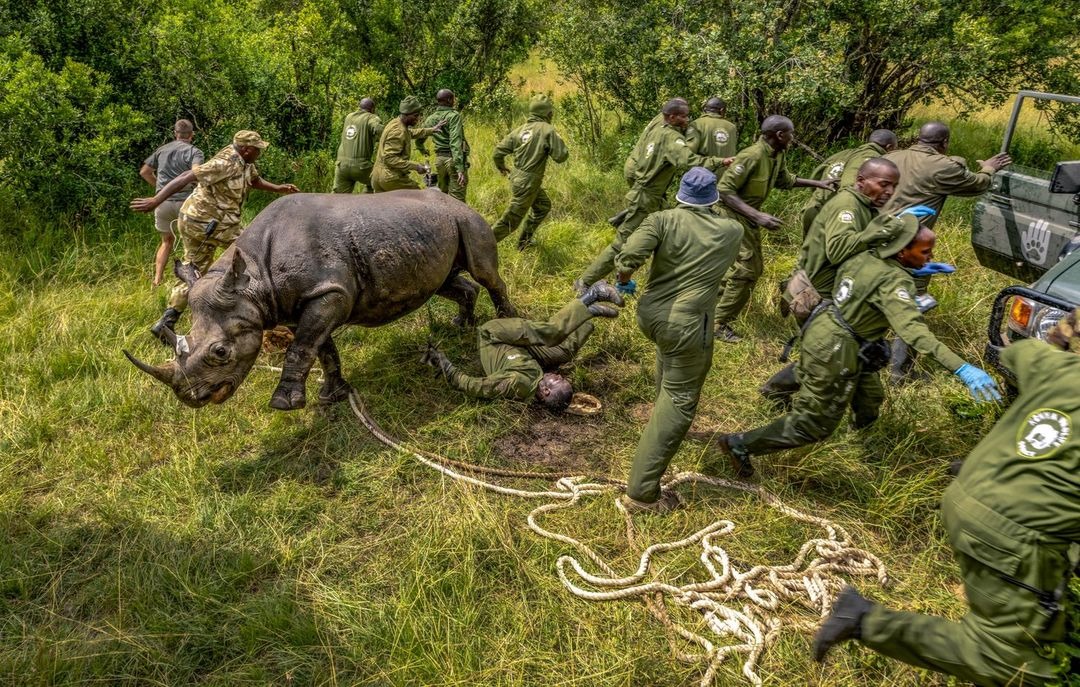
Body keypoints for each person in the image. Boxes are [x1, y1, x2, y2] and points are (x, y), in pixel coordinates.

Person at [813, 311, 1080, 687]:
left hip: (969, 489)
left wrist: (1061, 346)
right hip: (1014, 530)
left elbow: (1018, 355)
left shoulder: (1063, 370)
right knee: (1014, 666)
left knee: (1022, 618)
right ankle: (864, 619)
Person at [713, 215, 1002, 478]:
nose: (931, 257)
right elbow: (915, 333)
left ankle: (852, 432)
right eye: (925, 252)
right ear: (901, 251)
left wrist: (911, 272)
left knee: (870, 396)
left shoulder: (864, 256)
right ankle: (740, 444)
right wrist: (963, 368)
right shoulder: (894, 280)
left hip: (828, 325)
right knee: (813, 425)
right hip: (839, 346)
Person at [615, 168, 744, 513]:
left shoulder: (661, 220)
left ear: (680, 195)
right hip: (689, 324)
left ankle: (661, 416)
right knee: (681, 398)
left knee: (668, 365)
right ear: (714, 198)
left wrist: (624, 279)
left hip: (651, 316)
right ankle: (642, 494)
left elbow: (628, 258)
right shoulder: (733, 230)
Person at [130, 130, 300, 340]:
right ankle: (272, 314)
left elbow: (254, 180)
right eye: (258, 149)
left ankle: (166, 321)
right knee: (256, 254)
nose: (260, 153)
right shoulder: (224, 162)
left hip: (206, 220)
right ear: (247, 149)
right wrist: (156, 200)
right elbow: (187, 176)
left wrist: (279, 189)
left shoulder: (244, 161)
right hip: (206, 222)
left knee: (194, 269)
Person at [881, 120, 1013, 381]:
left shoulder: (891, 156)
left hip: (876, 237)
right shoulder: (942, 166)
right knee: (914, 303)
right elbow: (976, 184)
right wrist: (988, 168)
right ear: (944, 143)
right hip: (908, 248)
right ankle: (901, 371)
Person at [763, 157, 901, 403]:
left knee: (840, 353)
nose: (889, 191)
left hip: (832, 291)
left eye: (894, 186)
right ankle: (777, 392)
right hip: (816, 294)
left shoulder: (864, 205)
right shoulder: (847, 206)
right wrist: (881, 232)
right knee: (829, 354)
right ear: (861, 181)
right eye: (883, 184)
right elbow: (839, 250)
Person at [576, 100, 726, 291]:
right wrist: (720, 161)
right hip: (646, 198)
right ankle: (585, 281)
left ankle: (666, 281)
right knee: (621, 244)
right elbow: (689, 161)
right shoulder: (672, 138)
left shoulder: (657, 129)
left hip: (652, 197)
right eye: (683, 116)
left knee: (672, 234)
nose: (687, 119)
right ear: (671, 117)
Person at [712, 115, 837, 342]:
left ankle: (710, 309)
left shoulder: (777, 155)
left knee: (746, 269)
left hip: (746, 218)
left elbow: (784, 180)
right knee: (747, 269)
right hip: (730, 217)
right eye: (790, 133)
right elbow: (724, 191)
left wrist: (818, 183)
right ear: (780, 135)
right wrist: (757, 215)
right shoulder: (752, 155)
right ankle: (718, 323)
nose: (793, 137)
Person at [421, 282, 625, 407]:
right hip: (521, 350)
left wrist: (442, 364)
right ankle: (587, 314)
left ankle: (592, 295)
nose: (559, 376)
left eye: (558, 381)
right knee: (564, 352)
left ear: (545, 392)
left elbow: (475, 386)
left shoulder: (515, 384)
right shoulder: (536, 381)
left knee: (551, 333)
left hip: (493, 335)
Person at [490, 94, 569, 248]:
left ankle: (524, 242)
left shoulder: (519, 130)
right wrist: (557, 140)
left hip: (517, 177)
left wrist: (502, 167)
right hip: (529, 182)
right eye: (551, 112)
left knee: (543, 206)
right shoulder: (547, 130)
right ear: (548, 113)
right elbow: (561, 156)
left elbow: (497, 152)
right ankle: (480, 246)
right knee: (511, 220)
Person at [139, 119, 205, 287]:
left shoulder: (162, 150)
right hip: (187, 203)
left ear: (175, 133)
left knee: (166, 241)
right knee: (189, 242)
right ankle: (188, 282)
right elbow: (196, 173)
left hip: (163, 203)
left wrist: (162, 190)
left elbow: (145, 172)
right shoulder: (195, 152)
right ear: (192, 135)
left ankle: (157, 280)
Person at [799, 129, 898, 236]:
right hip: (832, 217)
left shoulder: (844, 153)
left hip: (813, 209)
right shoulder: (871, 159)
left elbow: (815, 177)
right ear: (889, 147)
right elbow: (851, 188)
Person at [371, 96, 445, 193]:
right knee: (419, 198)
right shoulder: (398, 131)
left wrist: (432, 130)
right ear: (406, 115)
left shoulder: (395, 123)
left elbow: (410, 133)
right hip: (390, 178)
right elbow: (389, 158)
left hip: (377, 176)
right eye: (415, 116)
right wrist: (416, 166)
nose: (418, 118)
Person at [417, 89, 469, 202]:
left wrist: (422, 149)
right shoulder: (453, 116)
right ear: (449, 100)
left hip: (439, 160)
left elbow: (420, 137)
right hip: (453, 160)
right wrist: (459, 168)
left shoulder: (431, 118)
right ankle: (457, 219)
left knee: (442, 197)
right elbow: (455, 142)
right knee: (457, 199)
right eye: (453, 99)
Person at [333, 97, 383, 194]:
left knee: (338, 197)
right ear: (372, 109)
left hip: (341, 166)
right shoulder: (371, 117)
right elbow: (378, 129)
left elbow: (358, 135)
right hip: (361, 167)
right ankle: (364, 201)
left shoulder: (349, 117)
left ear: (359, 107)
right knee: (380, 181)